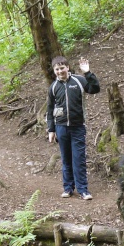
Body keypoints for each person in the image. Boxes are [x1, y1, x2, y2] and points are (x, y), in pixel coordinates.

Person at [46, 55, 100, 200]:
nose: (59, 71)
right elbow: (50, 109)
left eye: (62, 68)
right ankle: (68, 188)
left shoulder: (79, 80)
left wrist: (88, 72)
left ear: (67, 67)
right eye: (57, 69)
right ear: (54, 70)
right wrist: (51, 130)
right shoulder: (53, 87)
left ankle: (83, 190)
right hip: (61, 128)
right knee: (66, 159)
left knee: (79, 159)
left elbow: (95, 88)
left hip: (77, 127)